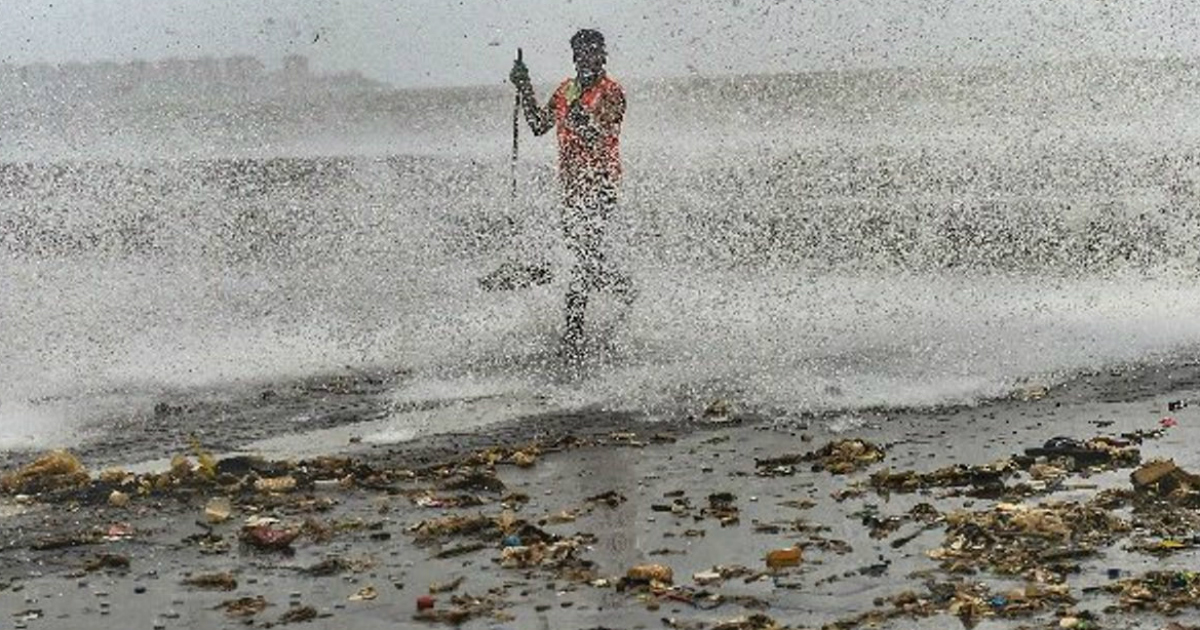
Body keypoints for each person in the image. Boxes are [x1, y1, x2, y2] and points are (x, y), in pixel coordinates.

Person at [509, 28, 633, 353]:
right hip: (571, 189)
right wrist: (524, 87)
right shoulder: (566, 90)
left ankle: (573, 335)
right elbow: (538, 125)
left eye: (596, 52)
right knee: (586, 258)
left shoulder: (612, 92)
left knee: (583, 262)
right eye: (584, 52)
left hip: (601, 185)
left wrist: (583, 123)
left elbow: (602, 134)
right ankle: (625, 291)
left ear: (603, 55)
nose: (590, 57)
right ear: (575, 56)